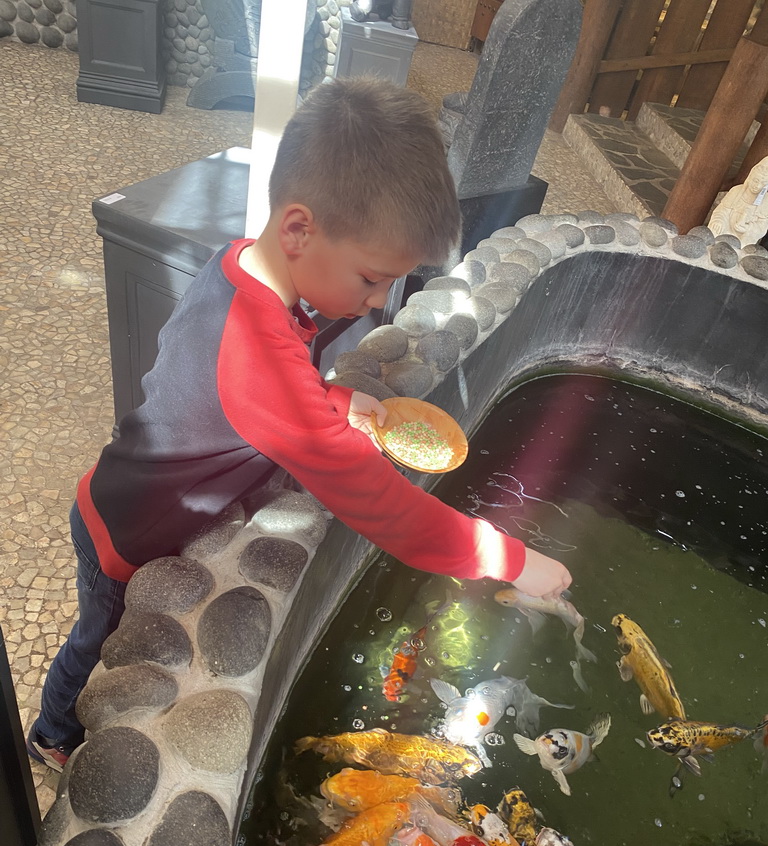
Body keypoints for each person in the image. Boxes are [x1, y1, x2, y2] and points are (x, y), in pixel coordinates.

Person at [27, 77, 571, 774]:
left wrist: (335, 404)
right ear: (298, 229)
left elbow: (261, 393)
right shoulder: (259, 358)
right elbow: (379, 504)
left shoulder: (243, 268)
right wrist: (511, 560)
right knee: (92, 643)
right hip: (119, 539)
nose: (377, 307)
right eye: (373, 279)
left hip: (123, 485)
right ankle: (52, 733)